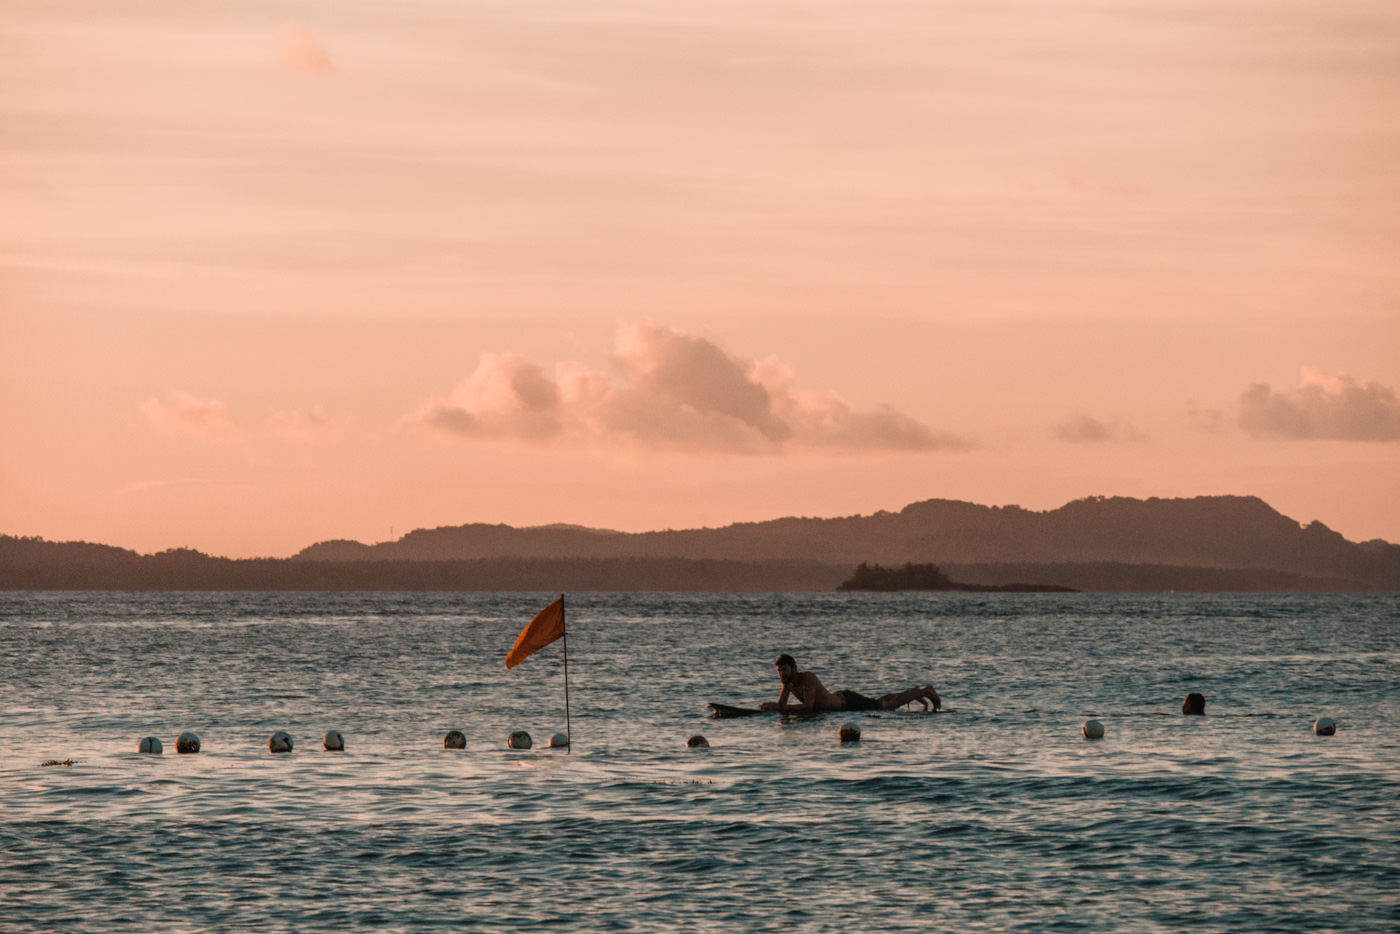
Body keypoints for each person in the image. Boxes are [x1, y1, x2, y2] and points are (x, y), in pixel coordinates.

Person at [759, 654, 940, 714]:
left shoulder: (808, 679)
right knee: (881, 701)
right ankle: (915, 693)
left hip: (848, 702)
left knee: (886, 707)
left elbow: (808, 707)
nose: (782, 674)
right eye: (779, 671)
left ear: (794, 668)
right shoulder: (788, 684)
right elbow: (782, 706)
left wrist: (778, 708)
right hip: (843, 702)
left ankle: (924, 691)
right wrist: (773, 707)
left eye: (784, 670)